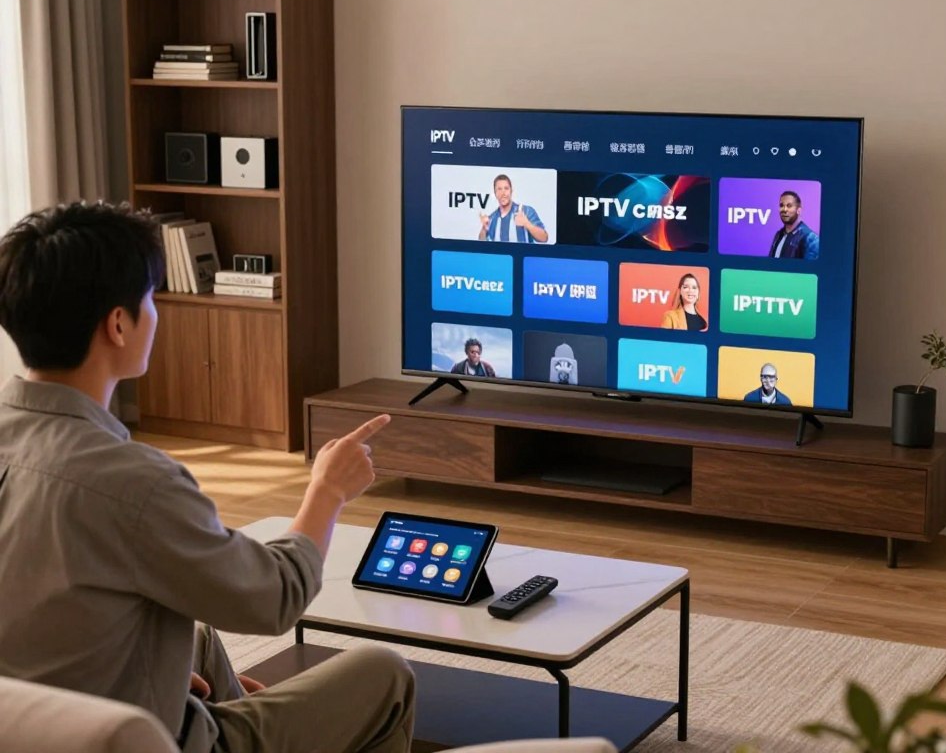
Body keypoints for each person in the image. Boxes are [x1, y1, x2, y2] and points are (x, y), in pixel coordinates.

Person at [0, 201, 414, 753]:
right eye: (150, 298)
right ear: (118, 325)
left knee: (192, 638)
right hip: (140, 741)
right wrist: (327, 491)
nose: (156, 312)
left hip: (35, 724)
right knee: (385, 674)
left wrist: (162, 680)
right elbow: (274, 598)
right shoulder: (133, 483)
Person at [477, 173, 549, 243]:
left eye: (506, 188)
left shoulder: (526, 211)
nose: (503, 193)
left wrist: (526, 224)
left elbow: (544, 238)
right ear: (495, 193)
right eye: (499, 189)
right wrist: (484, 228)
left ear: (511, 190)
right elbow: (481, 243)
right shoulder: (492, 218)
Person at [767, 190, 820, 260]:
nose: (784, 209)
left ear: (799, 210)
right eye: (781, 205)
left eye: (789, 206)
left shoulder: (811, 239)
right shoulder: (778, 235)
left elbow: (810, 270)